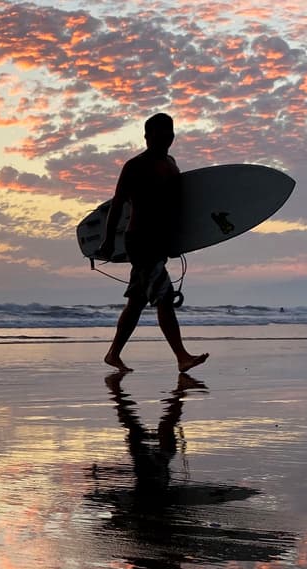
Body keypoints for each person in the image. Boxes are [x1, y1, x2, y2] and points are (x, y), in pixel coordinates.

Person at [102, 113, 208, 374]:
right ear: (146, 137)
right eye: (156, 135)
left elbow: (176, 207)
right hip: (140, 240)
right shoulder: (135, 166)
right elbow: (117, 205)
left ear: (172, 137)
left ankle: (113, 354)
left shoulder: (171, 163)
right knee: (164, 297)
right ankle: (182, 356)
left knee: (137, 301)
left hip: (159, 241)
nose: (162, 139)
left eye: (167, 135)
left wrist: (177, 240)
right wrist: (106, 241)